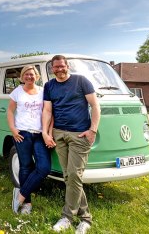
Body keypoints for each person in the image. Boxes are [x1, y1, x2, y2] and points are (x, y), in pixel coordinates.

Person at [42, 55, 100, 234]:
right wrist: (45, 132)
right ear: (52, 69)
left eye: (61, 66)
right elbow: (47, 110)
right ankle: (86, 218)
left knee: (74, 175)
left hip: (79, 135)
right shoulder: (49, 86)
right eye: (55, 67)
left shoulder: (81, 81)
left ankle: (67, 217)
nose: (59, 69)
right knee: (69, 177)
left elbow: (96, 106)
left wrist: (93, 130)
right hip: (59, 134)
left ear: (67, 66)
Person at [7, 65, 55, 215]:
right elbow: (10, 111)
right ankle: (27, 204)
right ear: (22, 77)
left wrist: (48, 132)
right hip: (23, 134)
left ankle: (19, 195)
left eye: (32, 74)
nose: (29, 77)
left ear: (37, 76)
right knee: (26, 166)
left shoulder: (43, 91)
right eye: (26, 74)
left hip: (40, 134)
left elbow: (49, 113)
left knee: (44, 168)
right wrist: (13, 130)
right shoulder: (17, 92)